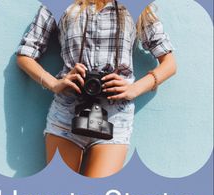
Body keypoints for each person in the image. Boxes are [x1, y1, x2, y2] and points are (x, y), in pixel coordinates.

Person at [16, 0, 177, 178]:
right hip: (66, 113)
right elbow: (25, 55)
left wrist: (135, 88)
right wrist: (54, 84)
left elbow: (169, 64)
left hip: (115, 116)